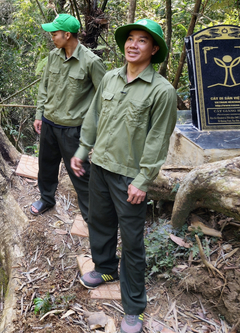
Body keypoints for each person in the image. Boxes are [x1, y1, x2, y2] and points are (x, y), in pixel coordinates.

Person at [71, 18, 177, 333]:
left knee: (132, 242)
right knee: (99, 222)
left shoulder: (162, 91)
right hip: (100, 167)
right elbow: (93, 117)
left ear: (154, 49)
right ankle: (105, 269)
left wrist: (143, 180)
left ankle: (134, 307)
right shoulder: (111, 79)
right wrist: (81, 150)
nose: (133, 44)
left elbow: (158, 139)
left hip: (130, 177)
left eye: (142, 40)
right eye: (130, 39)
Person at [31, 13, 106, 219]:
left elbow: (104, 98)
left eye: (54, 34)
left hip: (73, 129)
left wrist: (94, 129)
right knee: (46, 165)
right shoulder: (52, 57)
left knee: (80, 174)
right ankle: (46, 198)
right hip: (48, 123)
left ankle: (93, 214)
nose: (51, 37)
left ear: (67, 35)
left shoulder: (91, 62)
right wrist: (39, 114)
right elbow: (44, 87)